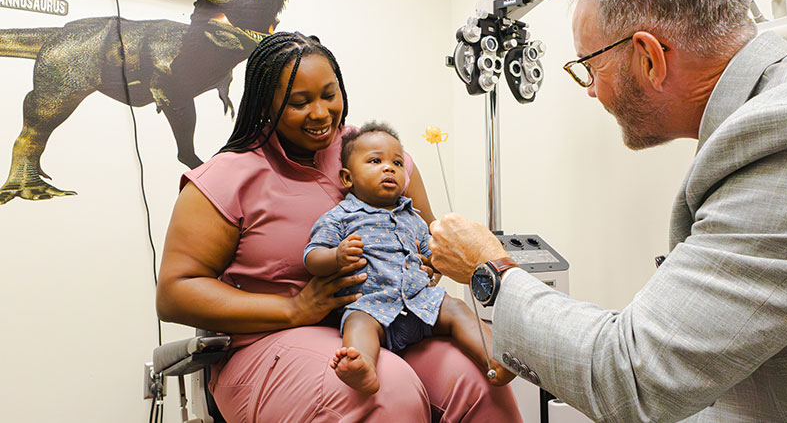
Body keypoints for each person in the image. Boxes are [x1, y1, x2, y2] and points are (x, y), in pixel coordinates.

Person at [427, 0, 787, 423]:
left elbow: (635, 376)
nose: (592, 93)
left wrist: (488, 269)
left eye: (589, 68)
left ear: (649, 57)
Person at [156, 31, 522, 422]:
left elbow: (427, 235)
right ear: (266, 104)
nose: (320, 113)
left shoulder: (370, 153)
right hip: (267, 341)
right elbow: (176, 293)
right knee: (387, 392)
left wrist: (427, 264)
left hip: (394, 320)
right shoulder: (225, 178)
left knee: (479, 384)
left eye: (329, 95)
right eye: (300, 102)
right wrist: (294, 308)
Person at [304, 122, 514, 394]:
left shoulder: (412, 218)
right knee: (356, 322)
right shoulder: (340, 217)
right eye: (375, 161)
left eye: (398, 163)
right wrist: (336, 256)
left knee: (456, 308)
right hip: (372, 306)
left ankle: (496, 357)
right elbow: (312, 257)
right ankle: (362, 365)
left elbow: (434, 255)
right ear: (347, 178)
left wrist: (434, 264)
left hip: (420, 303)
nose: (389, 167)